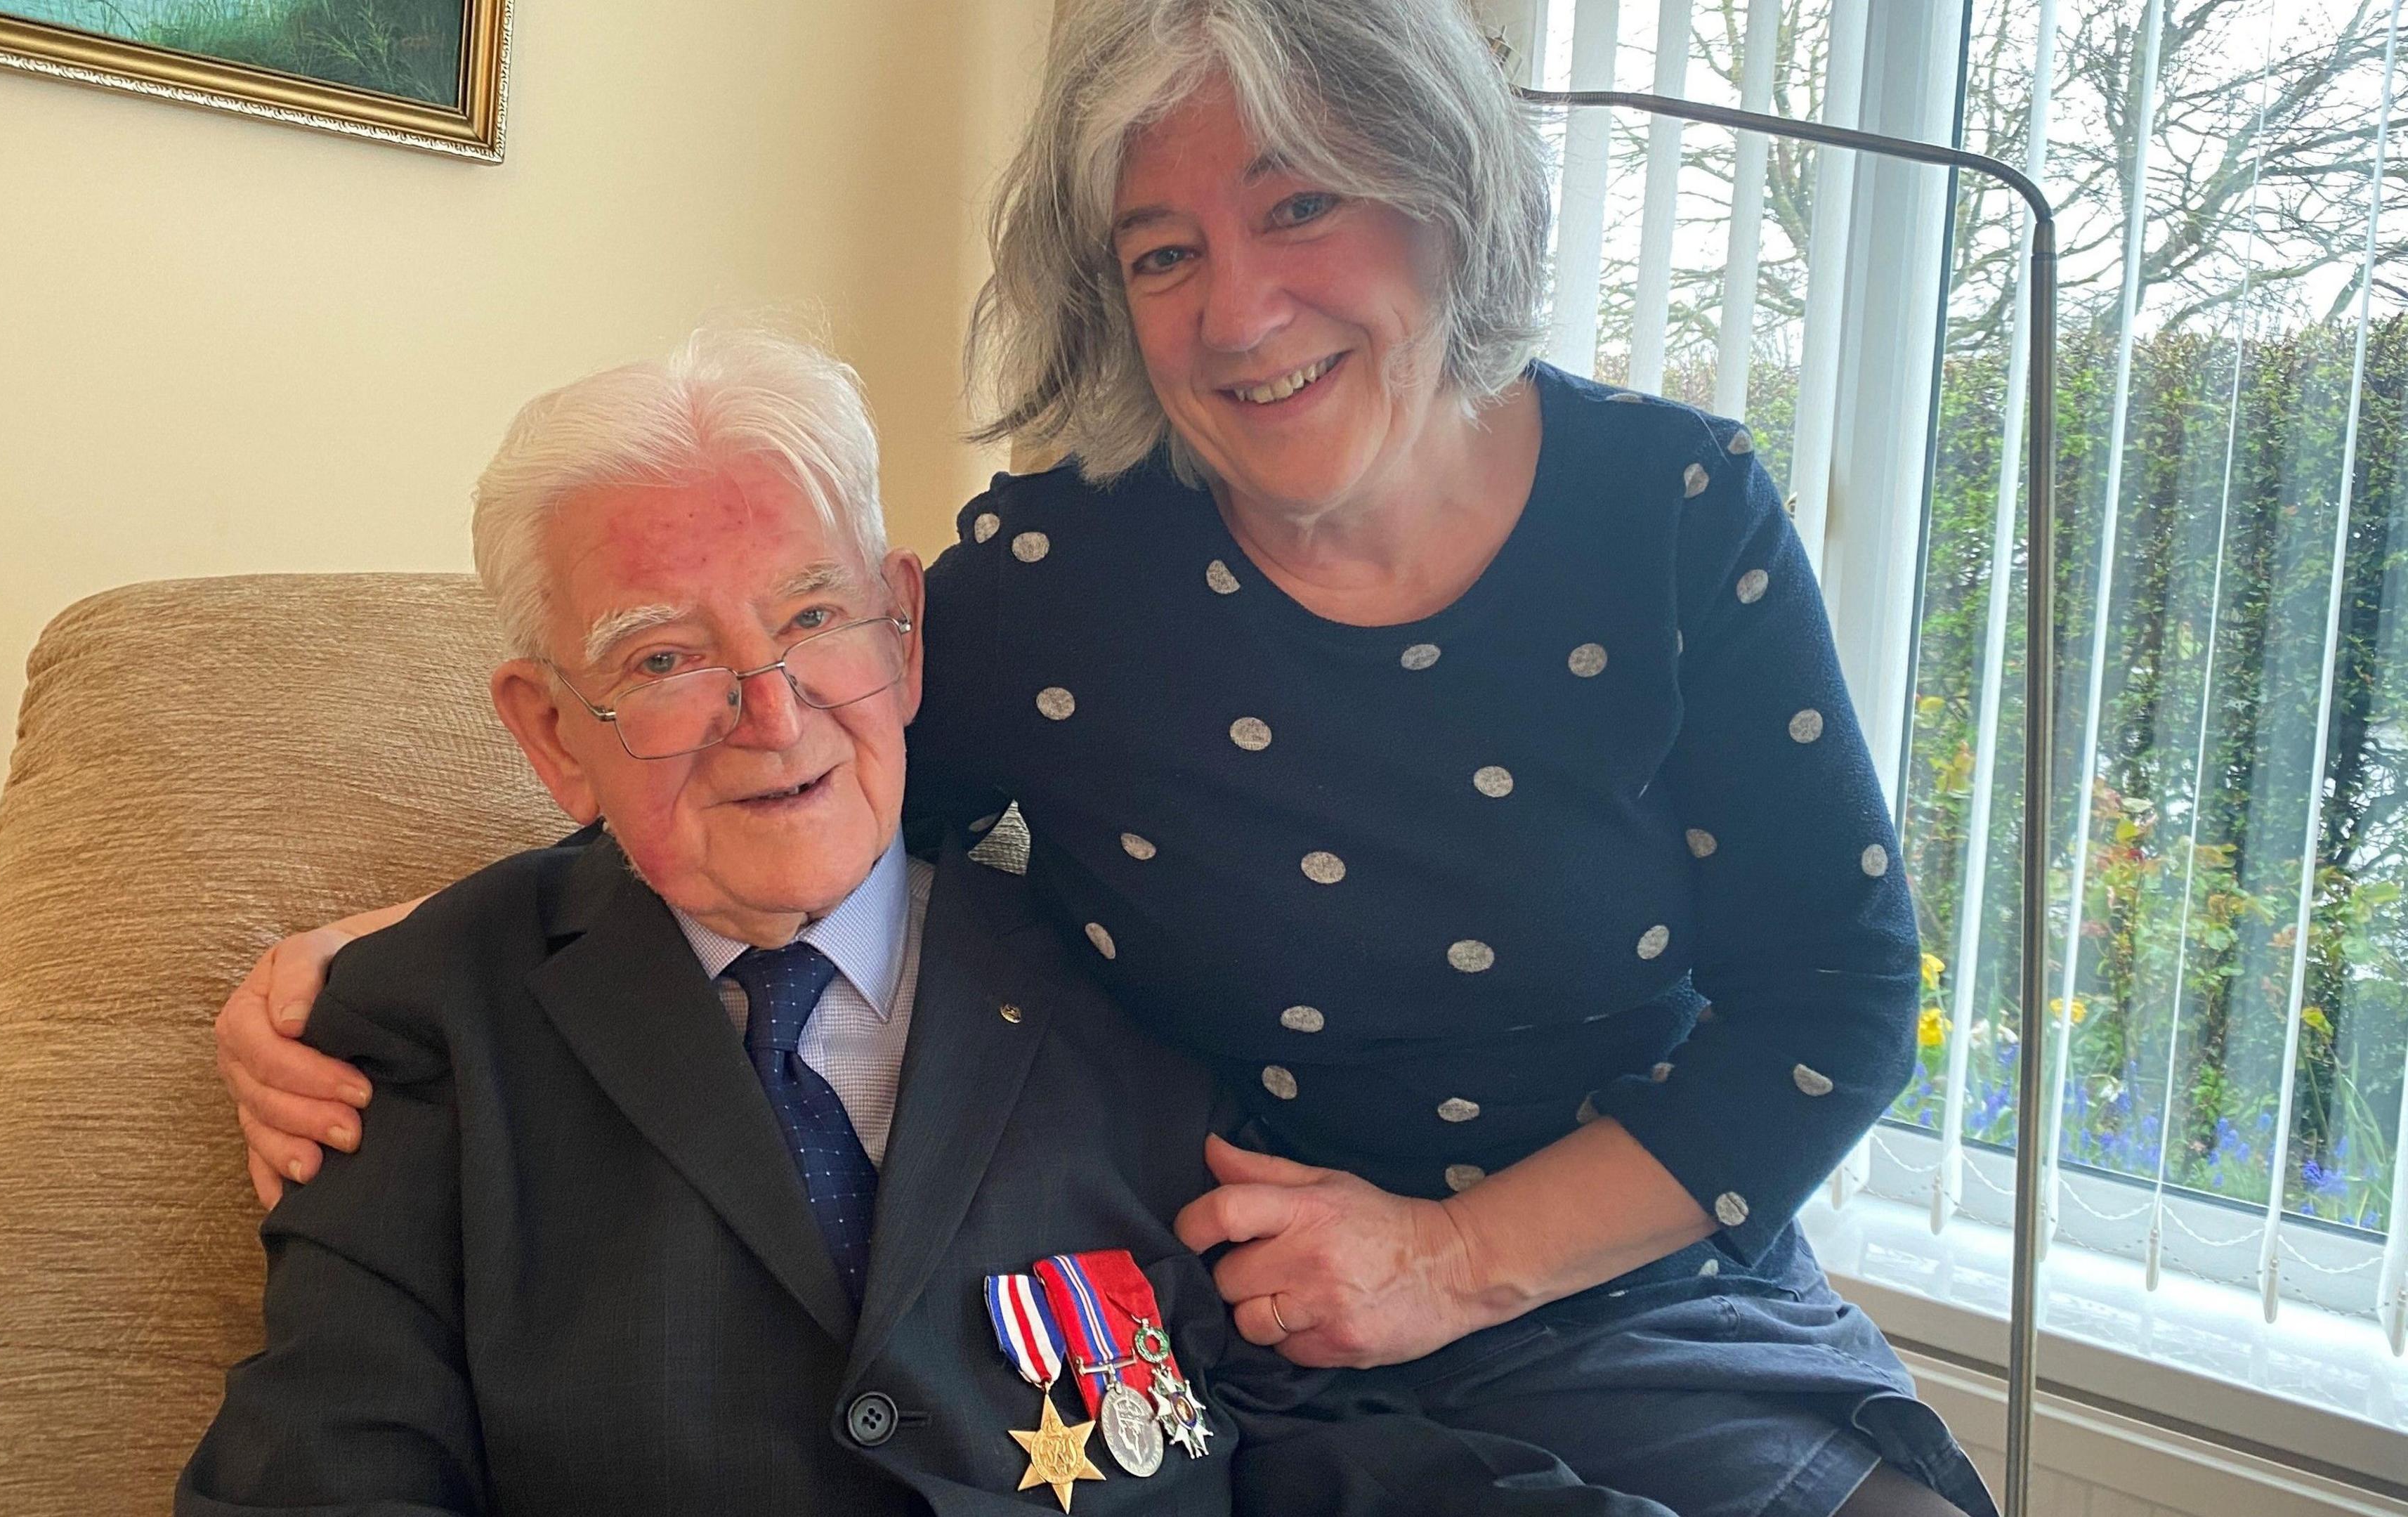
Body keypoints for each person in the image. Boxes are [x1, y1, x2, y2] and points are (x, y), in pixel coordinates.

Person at [214, 4, 1997, 1515]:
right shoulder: (1069, 581)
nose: (1236, 313)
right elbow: (777, 786)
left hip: (1627, 1285)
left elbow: (1836, 998)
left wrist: (1451, 1262)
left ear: (1443, 201)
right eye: (1164, 253)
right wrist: (378, 963)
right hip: (1225, 1313)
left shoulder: (1671, 517)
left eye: (1303, 207)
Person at [178, 328, 1263, 1515]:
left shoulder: (1147, 968)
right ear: (552, 735)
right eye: (663, 658)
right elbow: (321, 1480)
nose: (771, 712)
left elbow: (1317, 1426)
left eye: (811, 618)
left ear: (902, 633)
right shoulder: (427, 1026)